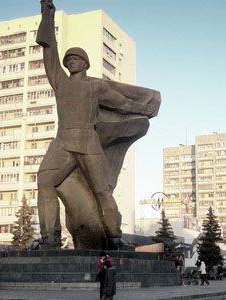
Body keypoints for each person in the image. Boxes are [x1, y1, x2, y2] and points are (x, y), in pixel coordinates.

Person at [36, 0, 155, 250]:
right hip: (63, 142)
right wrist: (47, 16)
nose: (71, 62)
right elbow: (49, 52)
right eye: (68, 59)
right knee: (45, 180)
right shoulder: (60, 81)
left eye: (76, 59)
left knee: (102, 191)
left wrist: (143, 108)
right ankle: (49, 238)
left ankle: (114, 237)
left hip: (88, 142)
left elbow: (121, 102)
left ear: (86, 63)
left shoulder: (96, 86)